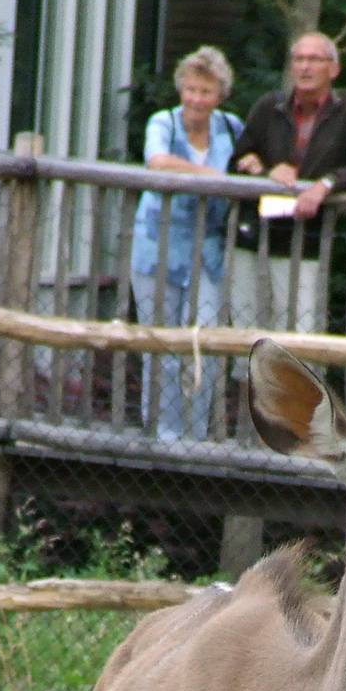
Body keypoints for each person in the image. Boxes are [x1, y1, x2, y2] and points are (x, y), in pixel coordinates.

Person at [231, 32, 346, 338]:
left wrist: (325, 184)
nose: (305, 67)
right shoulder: (269, 106)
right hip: (255, 235)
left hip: (308, 239)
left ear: (333, 69)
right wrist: (265, 169)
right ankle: (248, 387)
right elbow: (239, 157)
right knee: (245, 334)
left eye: (314, 59)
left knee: (300, 334)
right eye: (299, 59)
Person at [130, 47, 243, 442]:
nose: (196, 99)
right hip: (157, 245)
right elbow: (157, 161)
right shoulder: (164, 122)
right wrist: (211, 175)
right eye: (191, 89)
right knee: (159, 342)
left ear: (219, 95)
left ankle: (195, 434)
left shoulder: (231, 127)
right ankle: (162, 432)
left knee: (205, 344)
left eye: (206, 91)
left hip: (209, 251)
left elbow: (252, 161)